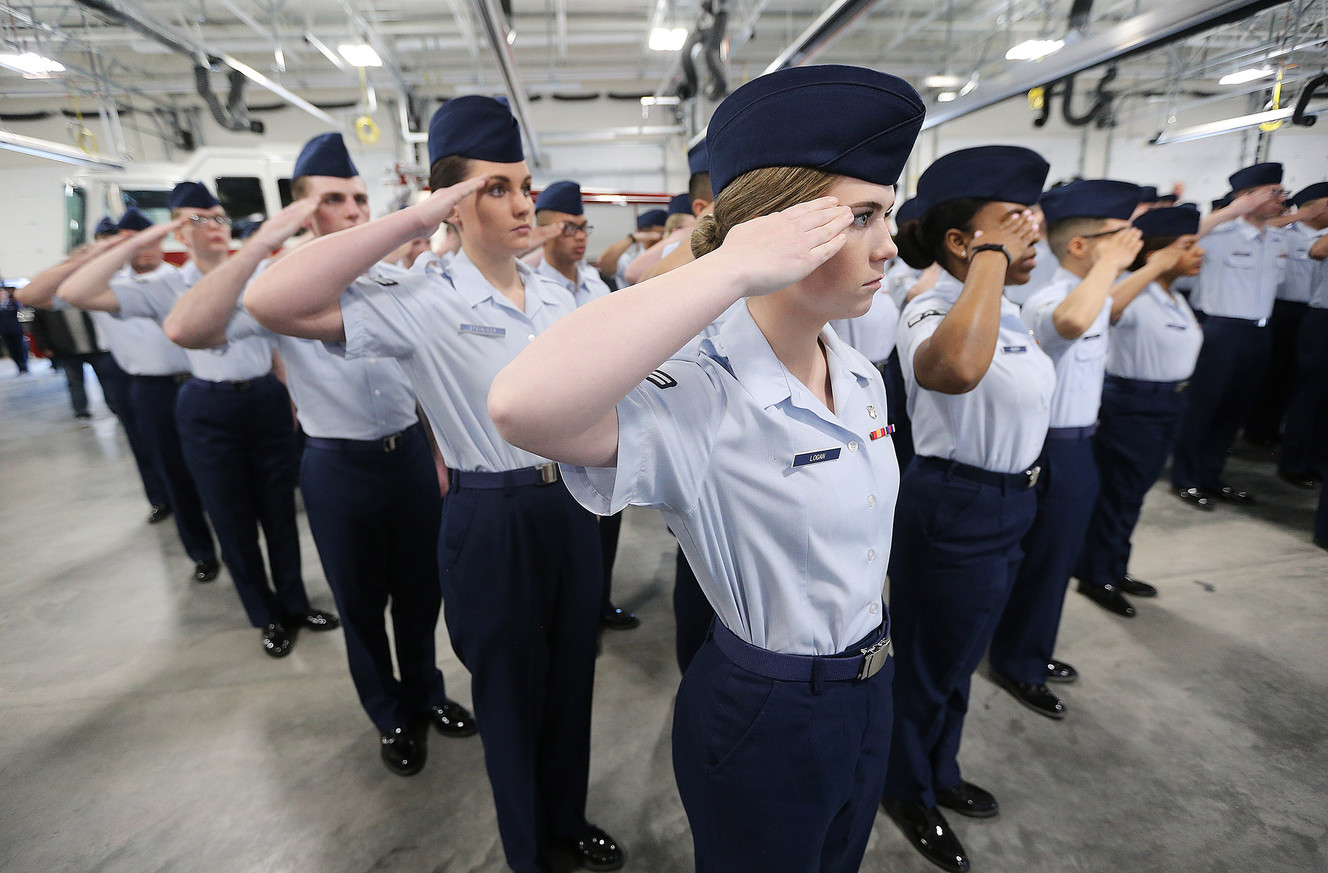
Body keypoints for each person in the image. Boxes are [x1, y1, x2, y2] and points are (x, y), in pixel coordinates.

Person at [489, 63, 924, 873]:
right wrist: (723, 262)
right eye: (861, 216)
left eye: (886, 213)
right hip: (769, 707)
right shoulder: (698, 392)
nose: (888, 245)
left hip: (871, 683)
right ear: (777, 226)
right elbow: (521, 405)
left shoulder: (858, 373)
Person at [243, 96, 623, 873]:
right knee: (511, 701)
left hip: (571, 504)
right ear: (450, 198)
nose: (523, 203)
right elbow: (270, 299)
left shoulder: (558, 291)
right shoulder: (422, 297)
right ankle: (530, 853)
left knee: (571, 679)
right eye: (496, 187)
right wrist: (415, 220)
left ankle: (564, 820)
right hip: (492, 513)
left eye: (525, 184)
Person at [169, 132, 477, 775]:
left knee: (420, 595)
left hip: (409, 461)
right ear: (304, 211)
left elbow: (427, 378)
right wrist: (259, 243)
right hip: (338, 466)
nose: (356, 211)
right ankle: (388, 713)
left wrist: (439, 452)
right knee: (360, 604)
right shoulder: (279, 290)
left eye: (361, 198)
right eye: (335, 200)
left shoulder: (397, 279)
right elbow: (187, 328)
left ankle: (425, 690)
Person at [59, 181, 336, 658]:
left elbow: (275, 349)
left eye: (218, 218)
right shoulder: (166, 285)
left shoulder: (255, 271)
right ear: (179, 233)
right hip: (207, 403)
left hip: (264, 398)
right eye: (197, 220)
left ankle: (293, 601)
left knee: (279, 510)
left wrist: (288, 400)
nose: (212, 227)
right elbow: (75, 291)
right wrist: (146, 236)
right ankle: (264, 613)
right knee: (232, 516)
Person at [882, 145, 1052, 873]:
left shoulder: (1004, 310)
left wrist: (993, 261)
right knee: (927, 662)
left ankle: (939, 769)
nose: (1034, 228)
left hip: (1009, 503)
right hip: (955, 503)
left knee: (956, 658)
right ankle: (907, 788)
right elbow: (952, 370)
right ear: (961, 242)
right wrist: (987, 260)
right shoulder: (929, 305)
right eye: (1014, 217)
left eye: (1035, 213)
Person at [986, 179, 1146, 719]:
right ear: (1080, 247)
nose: (1131, 242)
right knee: (1045, 566)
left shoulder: (1091, 290)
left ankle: (1028, 649)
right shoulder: (1053, 298)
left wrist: (1136, 264)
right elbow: (1074, 320)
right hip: (1054, 448)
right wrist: (1112, 266)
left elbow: (1104, 306)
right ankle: (1018, 663)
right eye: (1118, 235)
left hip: (1081, 442)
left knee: (1053, 565)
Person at [18, 209, 219, 581]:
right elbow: (30, 294)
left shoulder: (181, 278)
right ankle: (201, 552)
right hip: (150, 387)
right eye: (133, 241)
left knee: (213, 470)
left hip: (199, 380)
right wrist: (96, 254)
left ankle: (232, 539)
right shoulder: (103, 287)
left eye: (150, 238)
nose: (144, 249)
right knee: (171, 473)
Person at [1074, 206, 1206, 617]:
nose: (1199, 253)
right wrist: (1149, 269)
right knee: (1120, 493)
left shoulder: (1171, 295)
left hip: (1168, 401)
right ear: (1158, 253)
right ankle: (1098, 575)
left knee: (1134, 494)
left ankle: (1115, 565)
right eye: (1186, 247)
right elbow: (1107, 308)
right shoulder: (1135, 290)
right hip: (1133, 404)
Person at [531, 179, 638, 632]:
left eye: (583, 227)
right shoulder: (531, 286)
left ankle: (599, 601)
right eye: (568, 227)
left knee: (607, 524)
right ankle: (573, 616)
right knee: (567, 538)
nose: (580, 236)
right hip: (559, 435)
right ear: (545, 231)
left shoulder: (595, 282)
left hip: (607, 425)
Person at [1171, 162, 1289, 508]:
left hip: (1260, 333)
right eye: (1274, 192)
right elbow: (1183, 236)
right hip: (1221, 331)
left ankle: (1212, 476)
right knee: (1203, 407)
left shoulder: (1278, 236)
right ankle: (1187, 478)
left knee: (1234, 412)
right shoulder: (1220, 234)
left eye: (1281, 192)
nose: (1282, 199)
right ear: (1247, 196)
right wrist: (1233, 211)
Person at [1274, 182, 1328, 487]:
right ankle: (1294, 462)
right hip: (1322, 319)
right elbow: (1318, 251)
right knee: (1310, 394)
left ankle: (1317, 461)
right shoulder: (1322, 240)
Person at [596, 209, 665, 289]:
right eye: (661, 234)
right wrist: (632, 238)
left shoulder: (671, 255)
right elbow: (604, 263)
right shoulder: (630, 260)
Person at [1, 286, 29, 374]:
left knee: (20, 347)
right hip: (5, 331)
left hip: (16, 330)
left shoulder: (13, 303)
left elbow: (22, 312)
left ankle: (24, 365)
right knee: (11, 349)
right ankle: (19, 366)